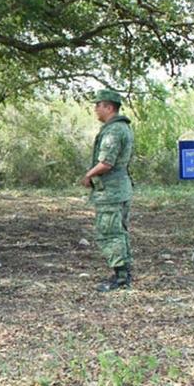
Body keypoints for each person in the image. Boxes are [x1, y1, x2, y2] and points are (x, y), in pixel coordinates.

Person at [81, 89, 135, 292]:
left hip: (111, 190)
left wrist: (88, 175)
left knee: (110, 232)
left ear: (109, 107)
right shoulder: (122, 128)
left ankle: (121, 278)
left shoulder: (113, 131)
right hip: (120, 189)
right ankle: (124, 273)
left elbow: (106, 162)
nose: (96, 109)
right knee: (119, 232)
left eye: (99, 105)